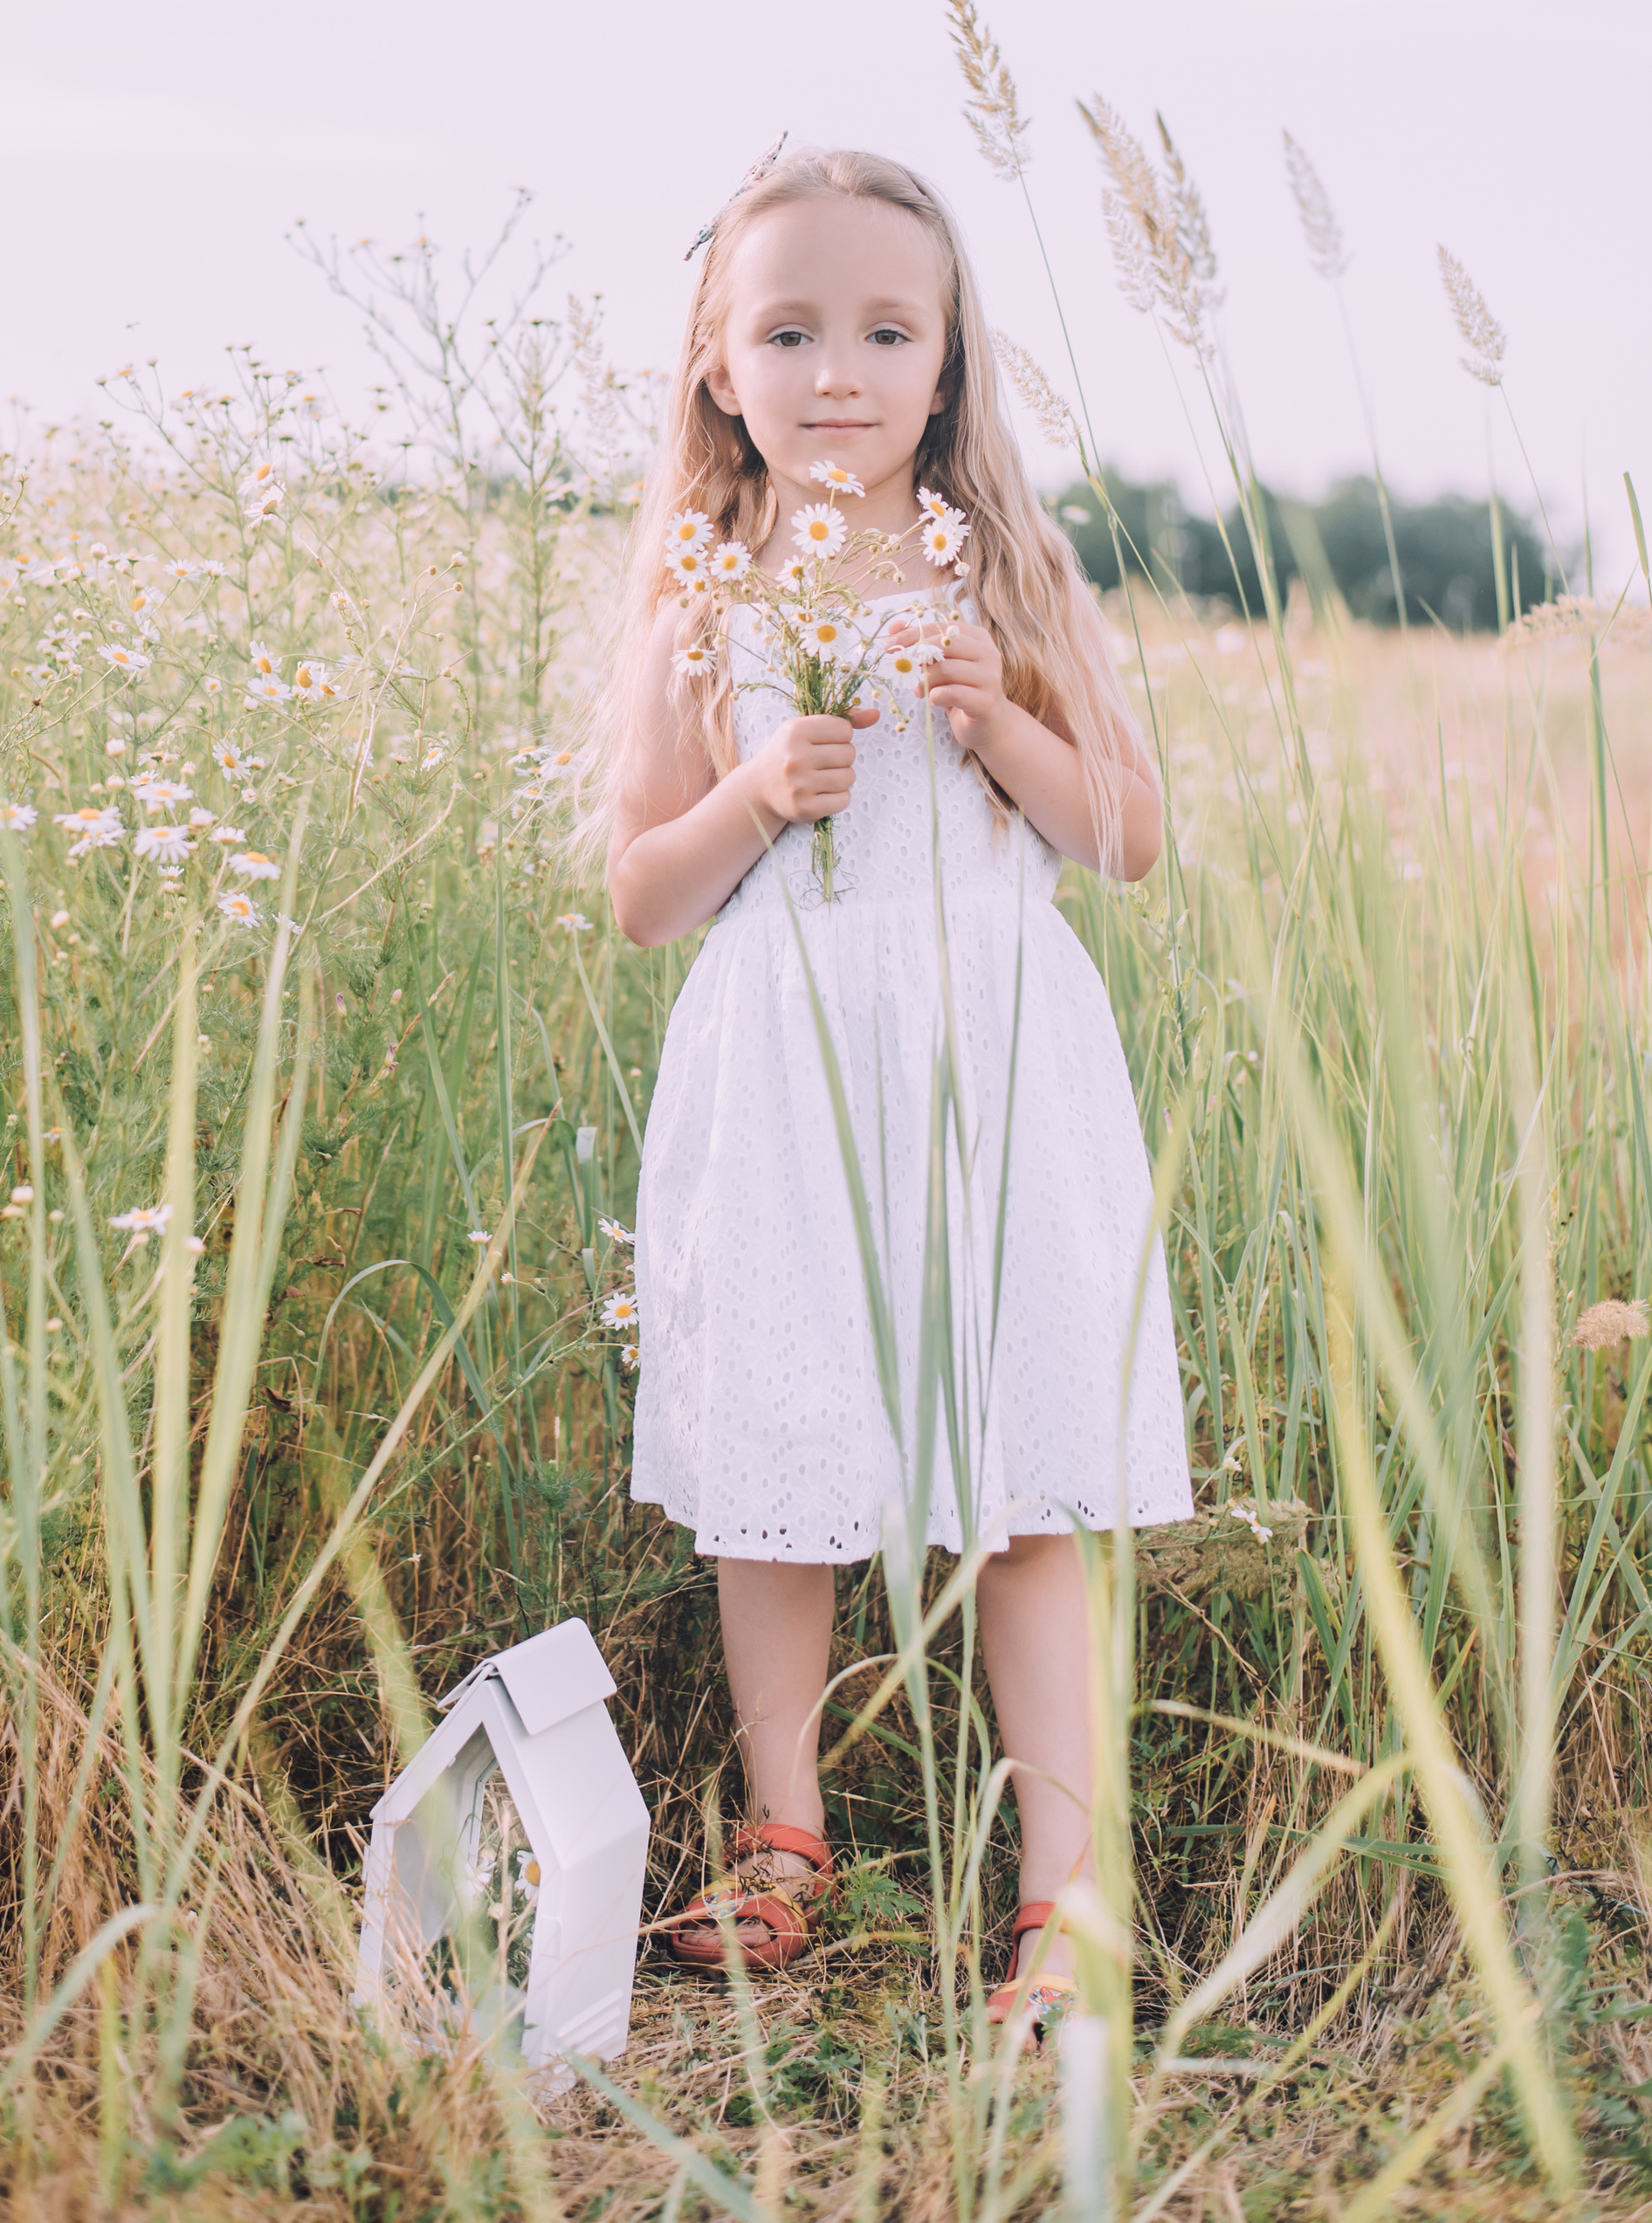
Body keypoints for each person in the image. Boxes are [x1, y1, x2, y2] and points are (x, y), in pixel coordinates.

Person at [595, 143, 1193, 2031]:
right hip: (785, 1068)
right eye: (788, 329)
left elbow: (1125, 839)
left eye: (882, 328)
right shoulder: (699, 593)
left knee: (1023, 1476)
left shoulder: (1004, 567)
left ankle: (1060, 1895)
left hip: (990, 1062)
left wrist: (992, 719)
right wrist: (752, 796)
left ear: (944, 366)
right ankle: (785, 1836)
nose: (834, 368)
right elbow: (634, 892)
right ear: (715, 362)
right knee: (775, 1462)